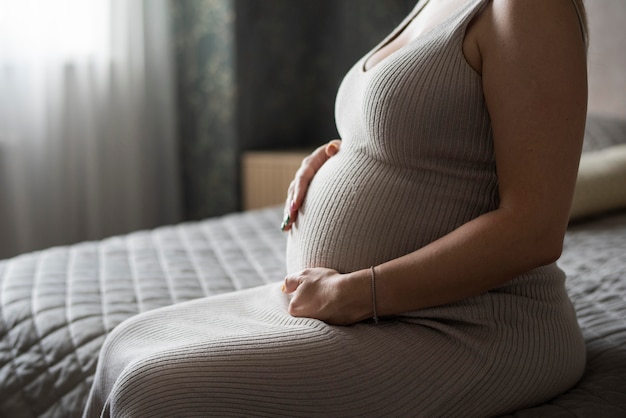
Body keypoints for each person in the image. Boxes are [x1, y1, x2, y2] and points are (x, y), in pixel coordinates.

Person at [83, 0, 589, 416]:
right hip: (371, 309)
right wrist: (337, 153)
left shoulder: (530, 7)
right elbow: (438, 131)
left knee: (150, 393)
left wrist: (356, 293)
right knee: (123, 346)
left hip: (477, 324)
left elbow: (535, 227)